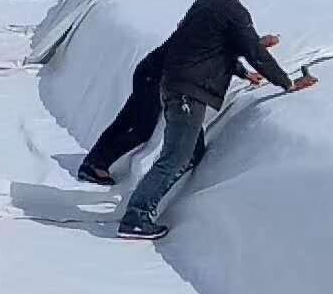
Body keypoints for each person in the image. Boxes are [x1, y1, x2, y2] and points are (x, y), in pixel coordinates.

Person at [117, 0, 316, 239]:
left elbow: (211, 48)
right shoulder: (234, 13)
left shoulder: (206, 3)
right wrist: (287, 83)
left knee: (191, 153)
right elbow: (253, 52)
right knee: (175, 158)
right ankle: (136, 217)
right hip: (189, 94)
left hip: (174, 86)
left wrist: (242, 71)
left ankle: (155, 204)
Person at [77, 33, 277, 186]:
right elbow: (218, 52)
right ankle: (97, 164)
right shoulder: (203, 31)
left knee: (126, 120)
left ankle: (94, 162)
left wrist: (251, 54)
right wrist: (251, 60)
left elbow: (221, 49)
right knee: (141, 130)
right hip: (155, 78)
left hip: (149, 71)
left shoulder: (201, 24)